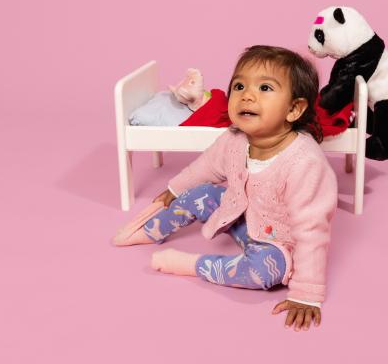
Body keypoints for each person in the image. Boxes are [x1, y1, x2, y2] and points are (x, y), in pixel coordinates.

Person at [112, 46, 338, 331]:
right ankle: (151, 230)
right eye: (239, 86)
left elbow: (311, 230)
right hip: (241, 212)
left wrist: (306, 294)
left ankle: (192, 265)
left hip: (279, 244)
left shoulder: (305, 163)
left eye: (265, 87)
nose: (247, 95)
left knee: (261, 272)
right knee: (198, 193)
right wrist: (175, 189)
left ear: (293, 109)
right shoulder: (234, 139)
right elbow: (205, 167)